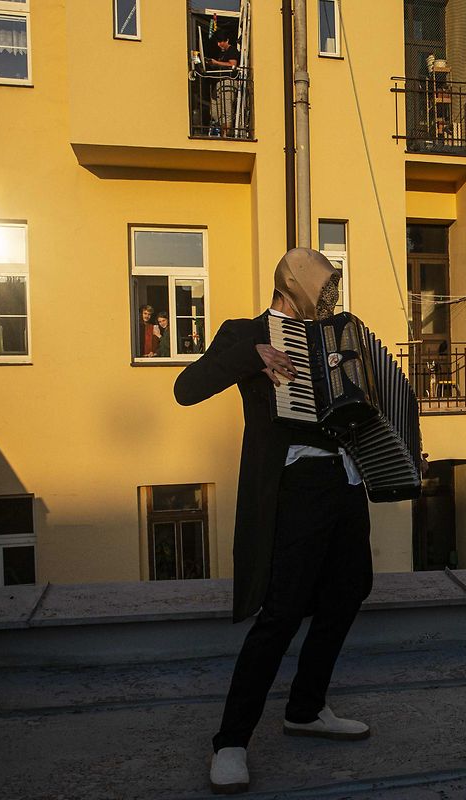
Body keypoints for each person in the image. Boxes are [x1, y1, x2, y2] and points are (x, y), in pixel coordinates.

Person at [174, 249, 370, 795]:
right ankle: (231, 741)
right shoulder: (244, 333)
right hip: (294, 487)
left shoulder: (340, 337)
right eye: (324, 286)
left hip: (347, 483)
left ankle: (306, 708)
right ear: (292, 284)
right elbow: (186, 390)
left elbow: (365, 406)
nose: (331, 296)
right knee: (281, 612)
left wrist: (398, 451)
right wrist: (250, 354)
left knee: (349, 591)